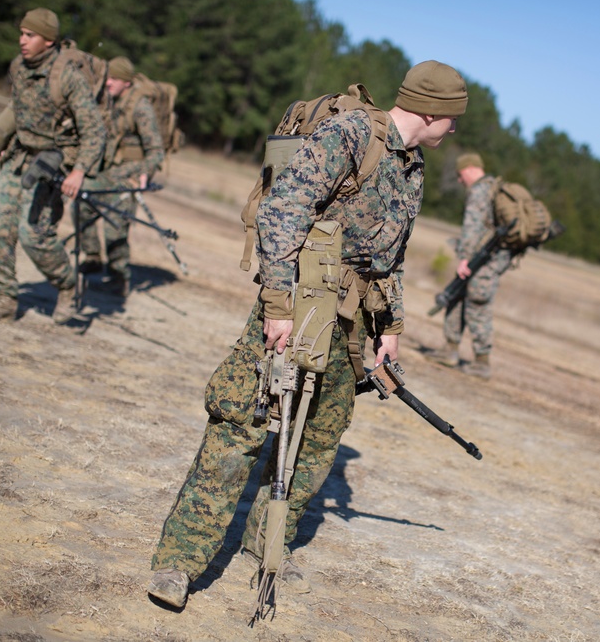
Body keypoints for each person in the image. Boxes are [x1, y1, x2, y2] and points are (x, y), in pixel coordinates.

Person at [147, 60, 468, 609]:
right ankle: (177, 562)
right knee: (240, 425)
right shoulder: (348, 135)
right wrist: (277, 305)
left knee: (319, 438)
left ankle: (267, 545)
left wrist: (388, 330)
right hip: (298, 304)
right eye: (453, 119)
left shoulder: (410, 166)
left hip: (349, 325)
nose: (455, 130)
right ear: (432, 112)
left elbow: (389, 258)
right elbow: (281, 213)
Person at [0, 8, 106, 324]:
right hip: (19, 158)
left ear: (48, 41)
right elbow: (14, 114)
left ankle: (67, 287)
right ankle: (5, 298)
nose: (22, 40)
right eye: (21, 33)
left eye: (30, 35)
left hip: (52, 165)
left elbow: (94, 130)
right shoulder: (18, 68)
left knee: (34, 235)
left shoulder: (68, 78)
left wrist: (79, 171)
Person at [76, 56, 165, 297]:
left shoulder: (141, 107)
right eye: (108, 77)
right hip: (107, 172)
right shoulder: (109, 101)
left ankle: (118, 278)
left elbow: (156, 154)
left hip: (128, 178)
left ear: (126, 82)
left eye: (114, 79)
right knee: (81, 198)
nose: (108, 83)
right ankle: (93, 256)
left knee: (115, 227)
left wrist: (136, 173)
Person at [426, 152, 515, 378]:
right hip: (489, 259)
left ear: (469, 169)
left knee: (477, 304)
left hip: (483, 261)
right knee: (456, 297)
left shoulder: (480, 190)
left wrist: (464, 258)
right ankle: (450, 349)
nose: (459, 180)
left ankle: (482, 362)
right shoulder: (493, 188)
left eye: (459, 174)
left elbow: (472, 227)